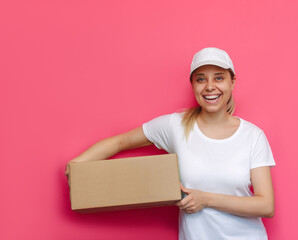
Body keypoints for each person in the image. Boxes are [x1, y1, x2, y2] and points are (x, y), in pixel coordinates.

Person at [65, 47, 276, 240]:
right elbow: (120, 142)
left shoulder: (252, 136)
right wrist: (76, 166)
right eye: (201, 79)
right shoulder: (176, 126)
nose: (210, 87)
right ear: (192, 84)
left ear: (232, 81)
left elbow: (266, 205)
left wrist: (206, 199)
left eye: (219, 78)